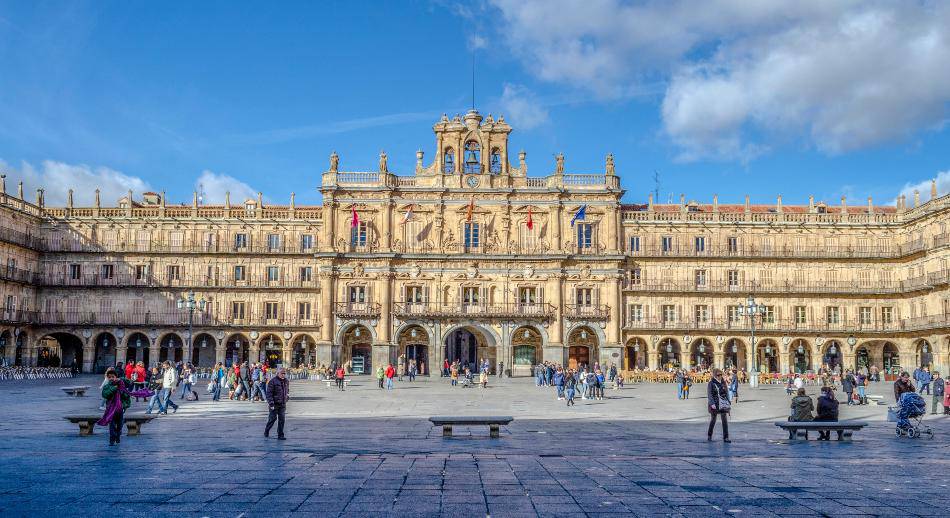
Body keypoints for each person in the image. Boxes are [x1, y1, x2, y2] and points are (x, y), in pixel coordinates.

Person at [98, 367, 131, 445]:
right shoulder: (107, 386)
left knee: (120, 425)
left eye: (113, 377)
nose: (111, 378)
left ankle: (118, 435)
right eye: (109, 377)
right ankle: (112, 439)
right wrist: (114, 388)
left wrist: (121, 381)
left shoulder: (121, 385)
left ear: (116, 377)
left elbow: (128, 385)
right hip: (111, 409)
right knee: (112, 425)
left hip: (120, 409)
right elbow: (105, 395)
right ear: (107, 378)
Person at [264, 367, 289, 440]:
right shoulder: (273, 381)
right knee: (272, 419)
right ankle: (267, 430)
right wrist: (271, 403)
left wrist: (287, 396)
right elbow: (269, 393)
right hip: (274, 404)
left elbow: (287, 390)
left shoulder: (286, 381)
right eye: (282, 373)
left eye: (284, 373)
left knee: (282, 419)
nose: (283, 375)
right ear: (278, 373)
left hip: (282, 404)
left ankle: (280, 435)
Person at [706, 368, 731, 442]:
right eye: (718, 375)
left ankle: (726, 437)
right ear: (714, 375)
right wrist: (712, 403)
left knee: (724, 420)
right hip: (715, 404)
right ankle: (709, 435)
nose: (720, 376)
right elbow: (709, 394)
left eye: (721, 374)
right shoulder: (711, 383)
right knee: (713, 420)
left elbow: (726, 393)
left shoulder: (723, 382)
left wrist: (728, 401)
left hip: (723, 404)